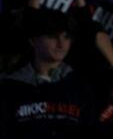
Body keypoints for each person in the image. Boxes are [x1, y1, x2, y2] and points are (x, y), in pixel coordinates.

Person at [0, 8, 95, 138]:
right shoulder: (9, 86)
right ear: (33, 40)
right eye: (53, 36)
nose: (61, 44)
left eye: (66, 37)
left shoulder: (80, 85)